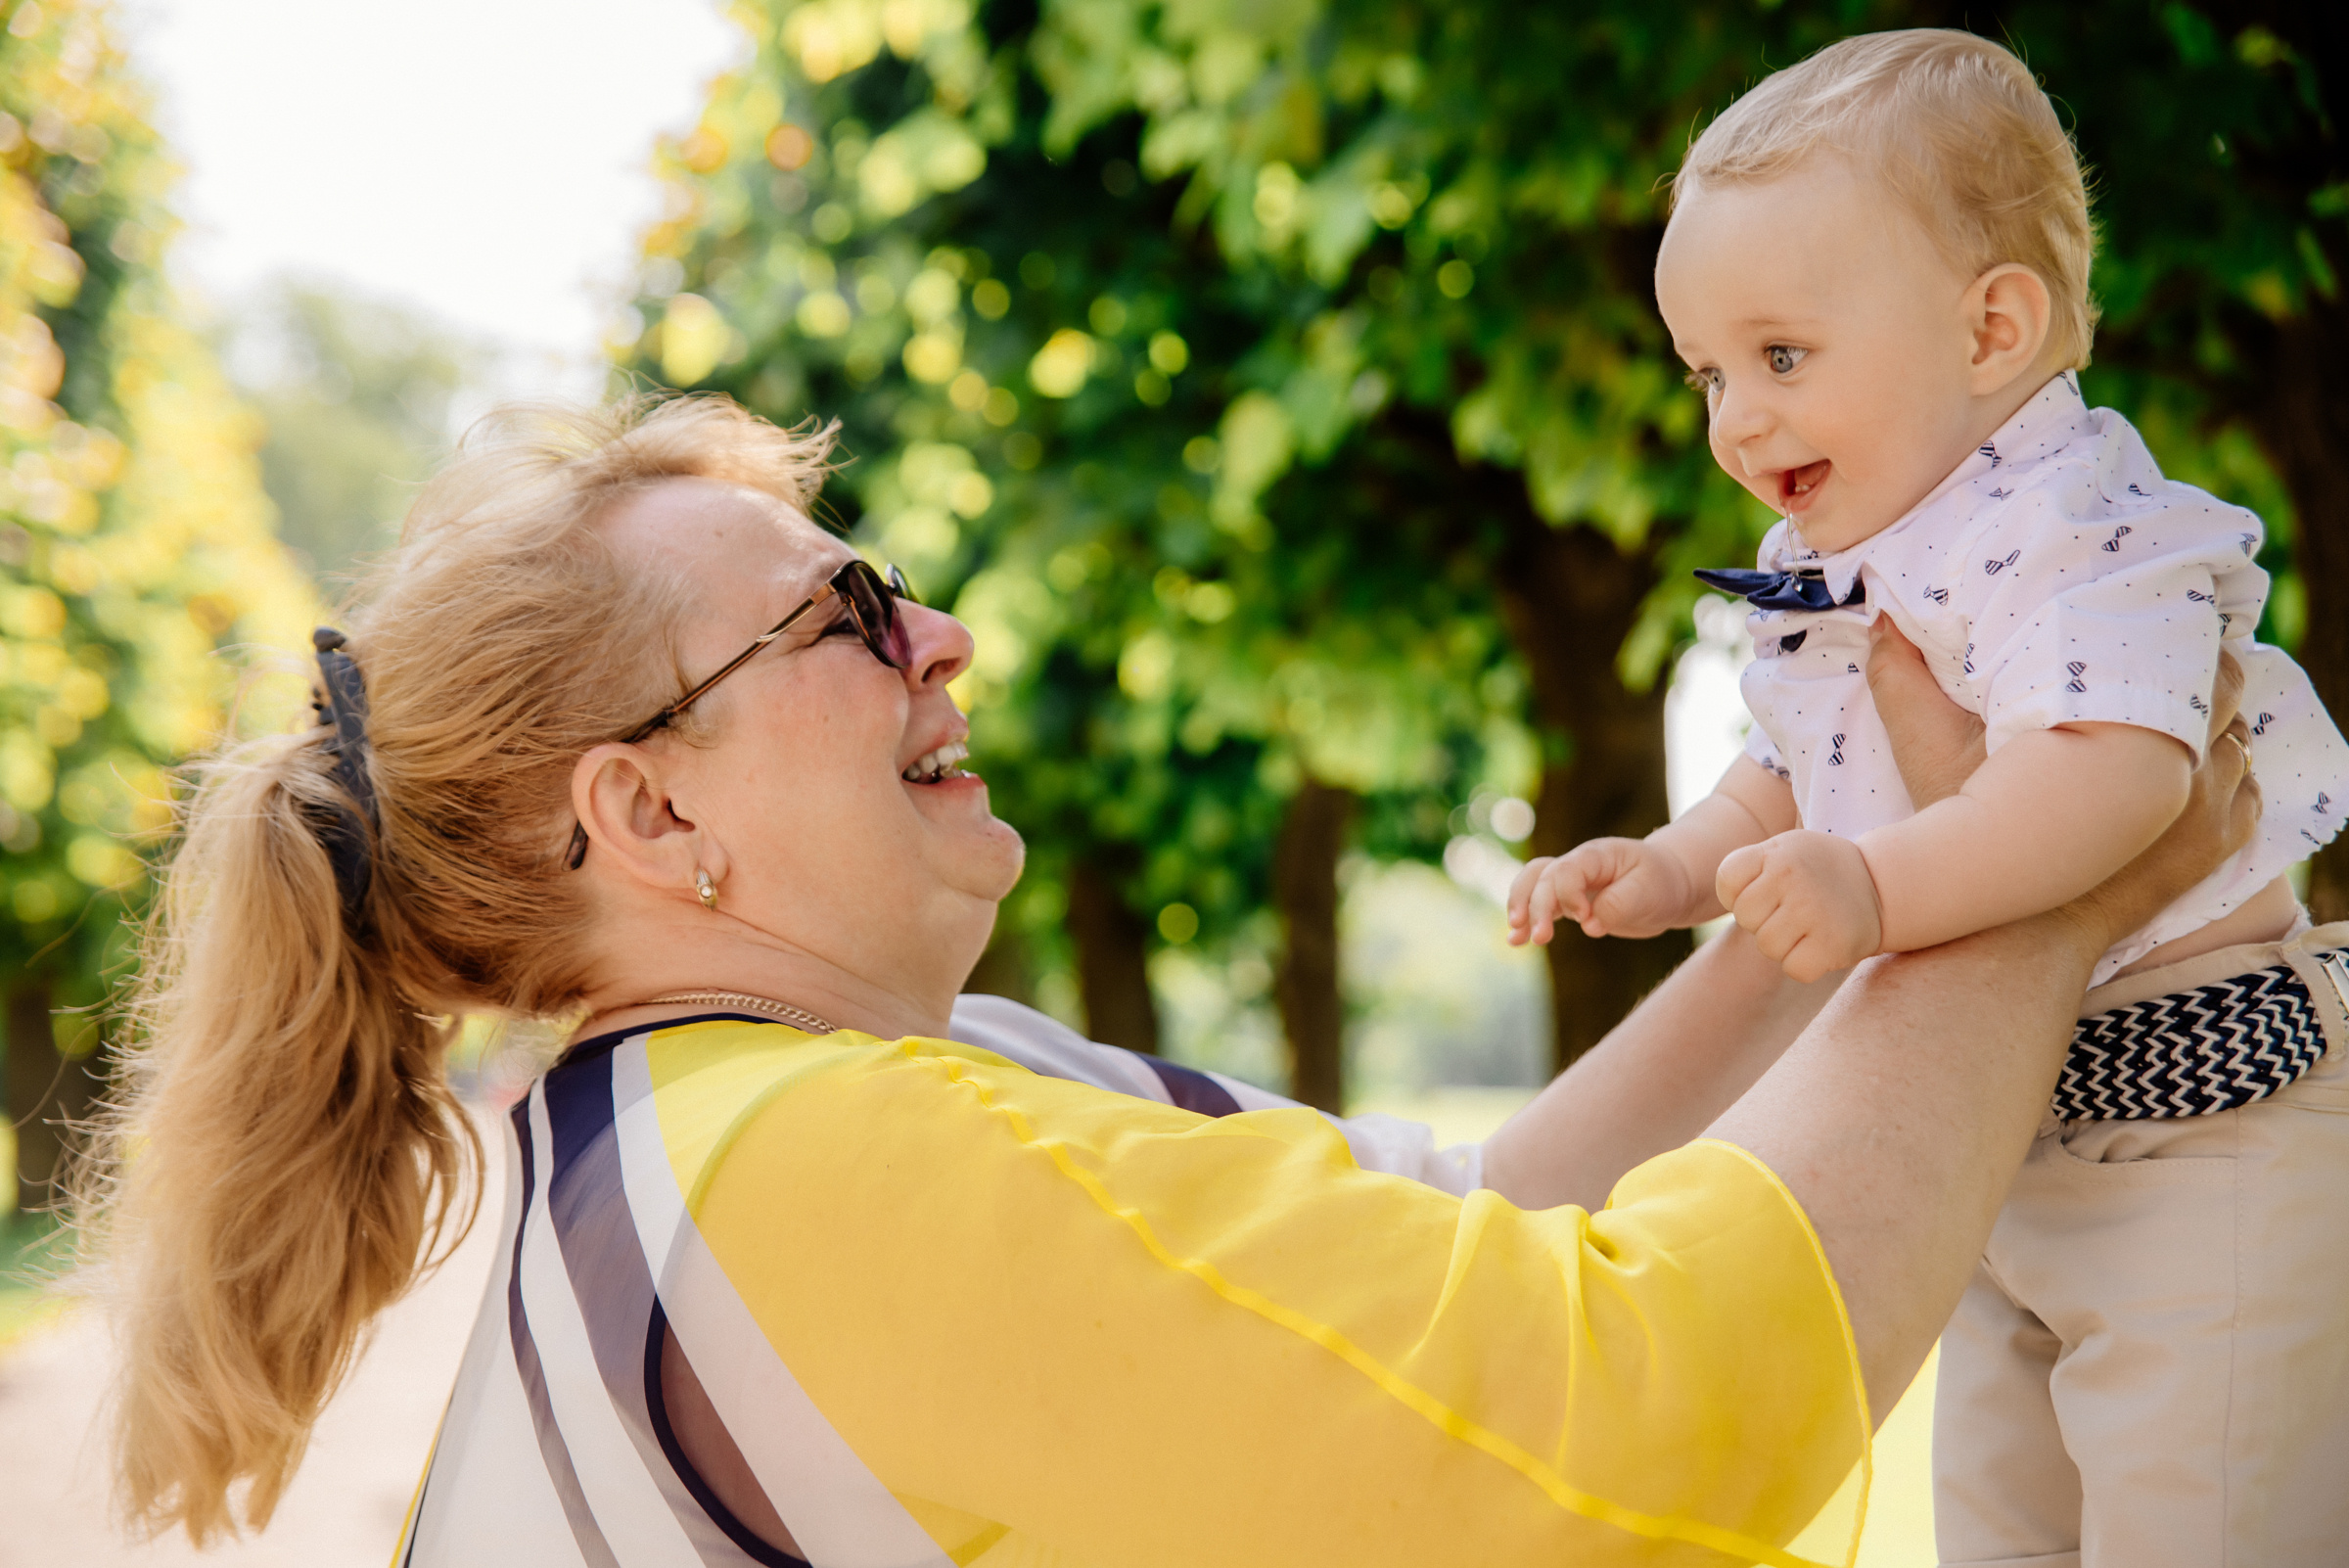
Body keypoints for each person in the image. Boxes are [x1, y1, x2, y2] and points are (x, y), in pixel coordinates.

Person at [83, 395, 2251, 1568]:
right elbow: (1626, 1426)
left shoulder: (822, 1105)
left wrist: (1860, 862)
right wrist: (2047, 891)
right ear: (652, 819)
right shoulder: (814, 1178)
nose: (943, 643)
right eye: (845, 619)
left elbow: (1453, 1230)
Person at [1509, 29, 2349, 1566]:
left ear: (1992, 330)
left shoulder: (2089, 532)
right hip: (2002, 1139)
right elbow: (1790, 776)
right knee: (1998, 1523)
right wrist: (1677, 865)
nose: (1735, 422)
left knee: (2201, 1512)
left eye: (1779, 356)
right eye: (1706, 373)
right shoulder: (1844, 578)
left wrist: (1875, 891)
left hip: (2203, 1123)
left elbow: (2118, 781)